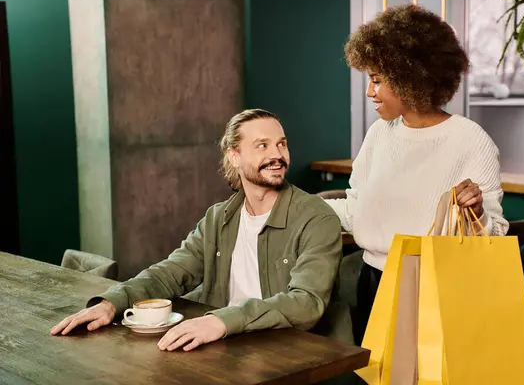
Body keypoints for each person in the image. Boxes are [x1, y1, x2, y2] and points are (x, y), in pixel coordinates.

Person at [51, 108, 352, 350]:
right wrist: (111, 303)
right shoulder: (218, 218)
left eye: (281, 144)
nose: (277, 154)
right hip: (230, 345)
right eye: (262, 145)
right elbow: (170, 273)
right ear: (234, 156)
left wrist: (222, 321)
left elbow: (306, 303)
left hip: (297, 350)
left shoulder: (316, 217)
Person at [325, 5, 509, 345]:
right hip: (372, 282)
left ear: (412, 76)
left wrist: (478, 211)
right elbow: (355, 210)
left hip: (433, 289)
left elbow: (493, 234)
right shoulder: (379, 135)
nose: (370, 92)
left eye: (377, 80)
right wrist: (293, 207)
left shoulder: (471, 140)